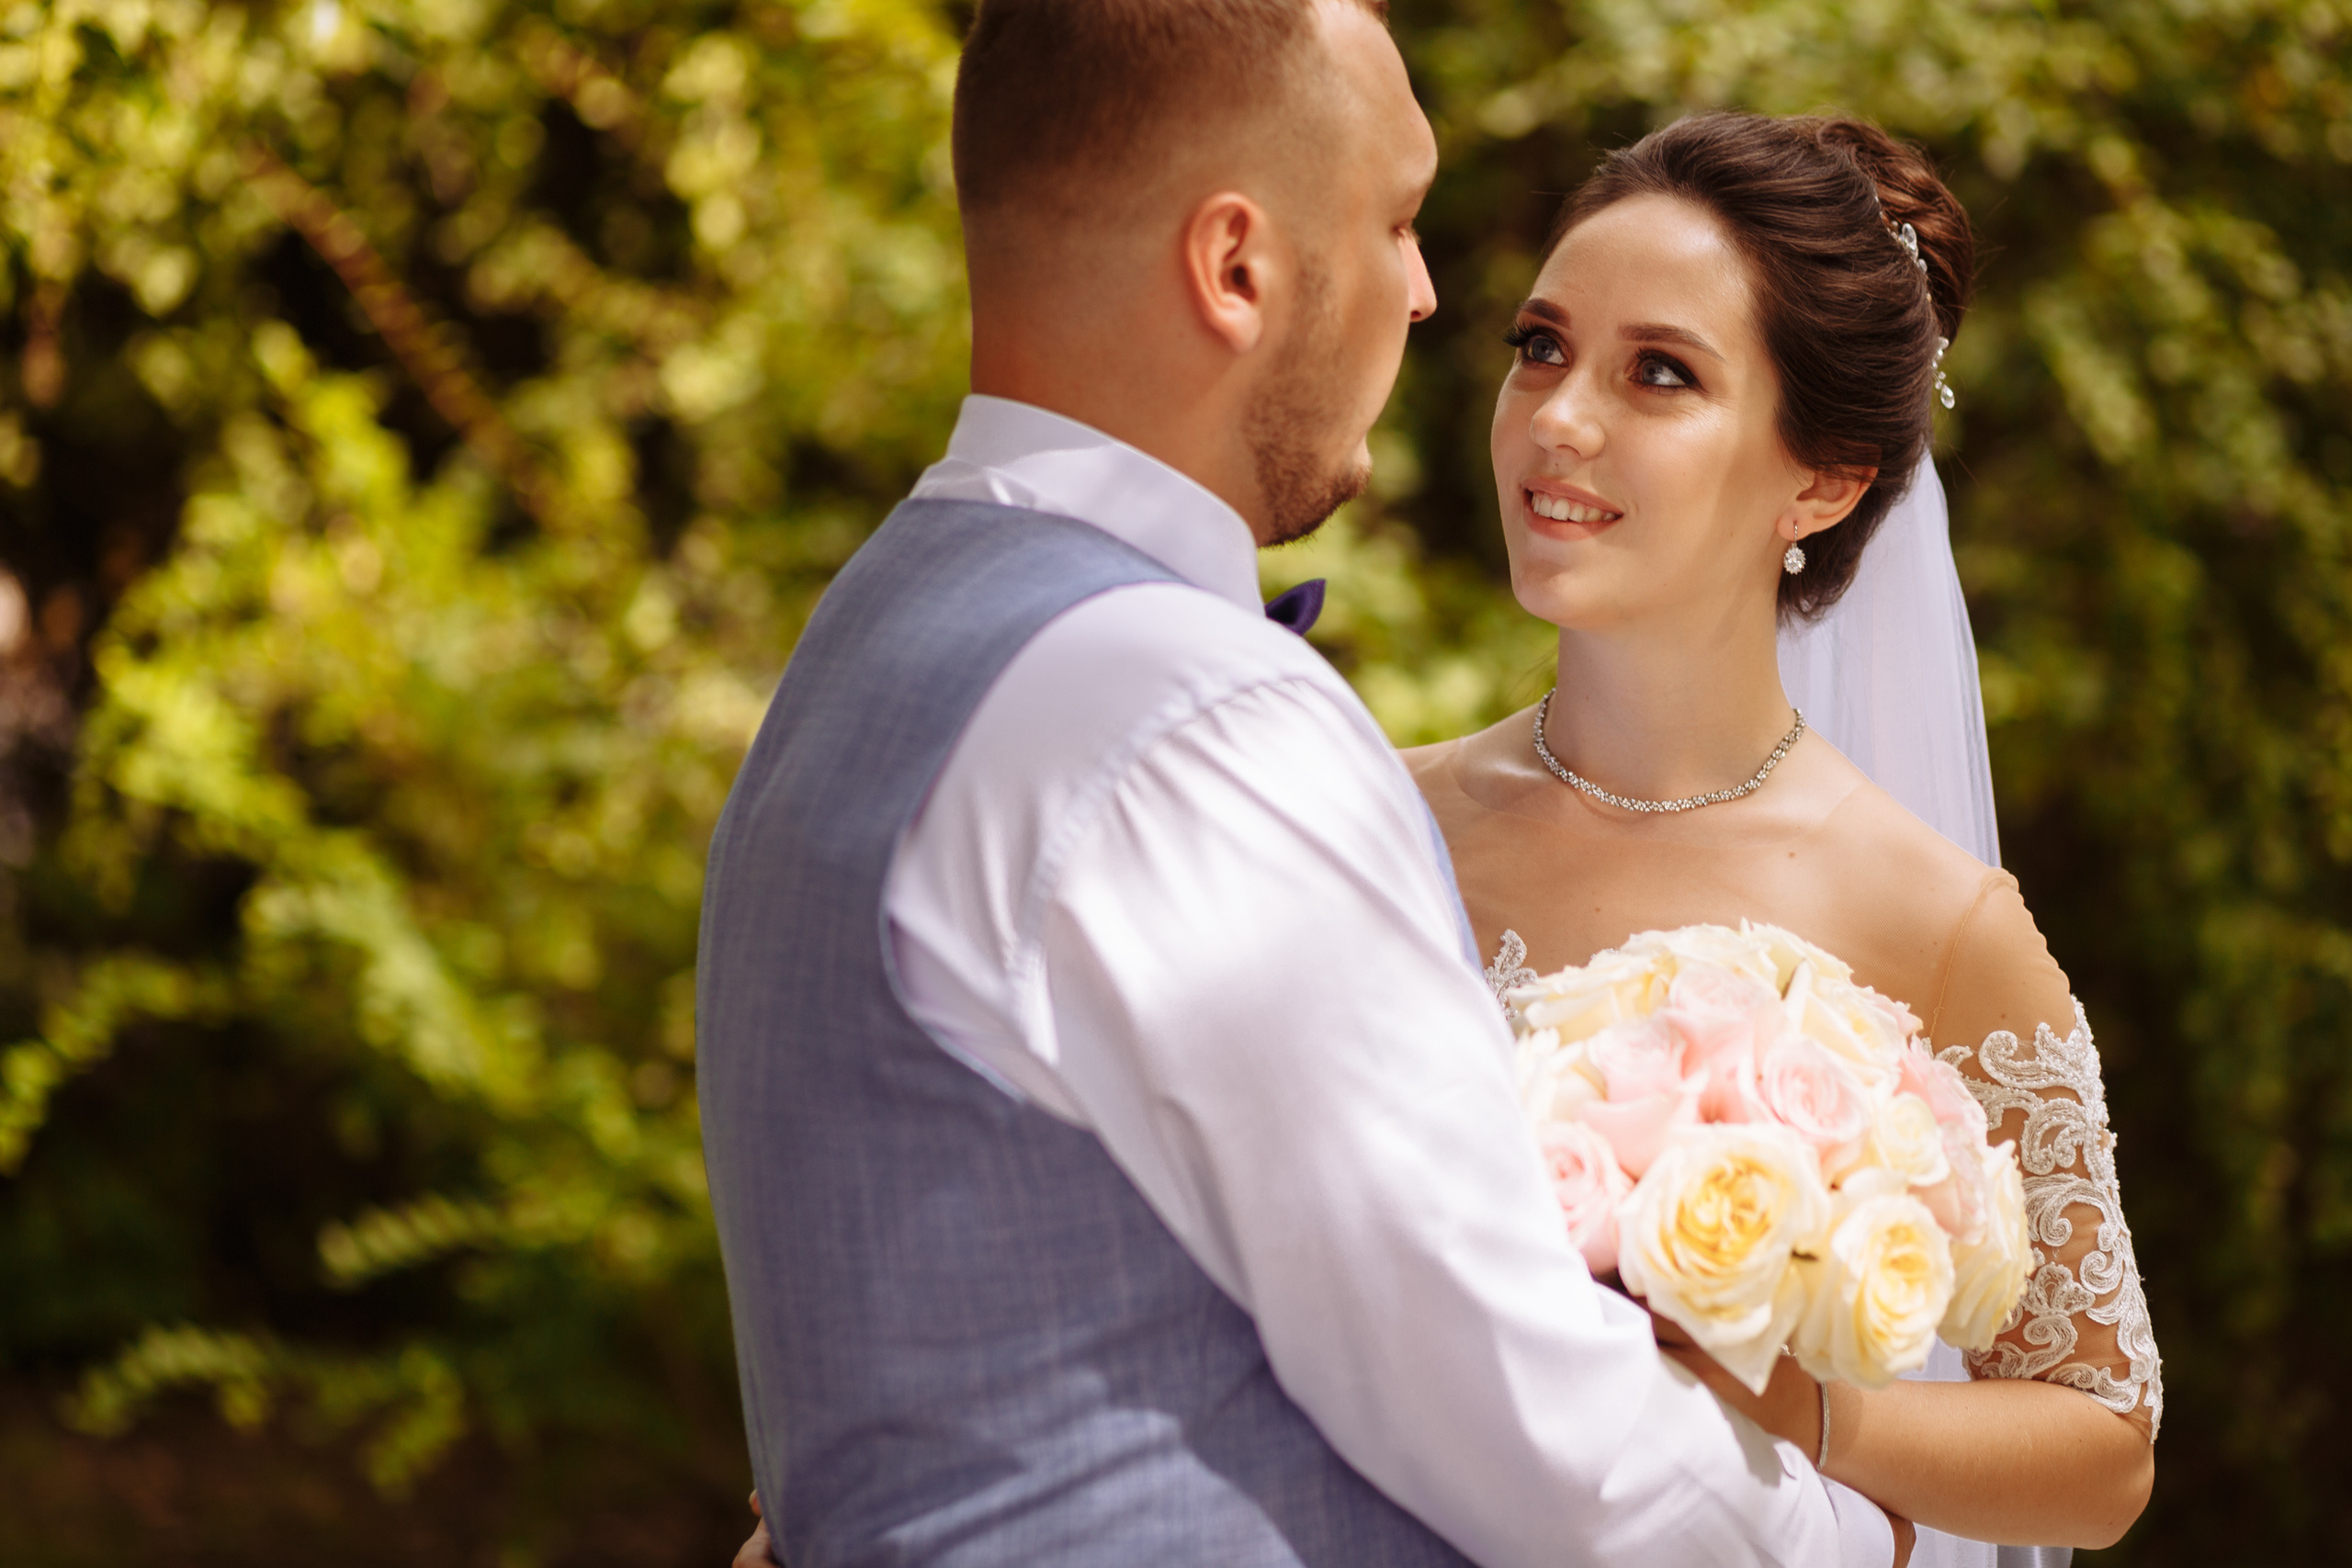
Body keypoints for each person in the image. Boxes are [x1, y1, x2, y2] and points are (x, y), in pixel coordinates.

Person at [700, 4, 1907, 1565]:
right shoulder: (1185, 721)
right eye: (1396, 220)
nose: (1424, 290)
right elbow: (1528, 1423)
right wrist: (1834, 1542)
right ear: (1236, 267)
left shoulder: (870, 635)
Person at [1408, 112, 2161, 1563]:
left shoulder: (1936, 922)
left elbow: (2103, 1443)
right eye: (1541, 346)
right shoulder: (1379, 818)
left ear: (1822, 479)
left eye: (1660, 373)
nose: (1557, 418)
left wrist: (1817, 1417)